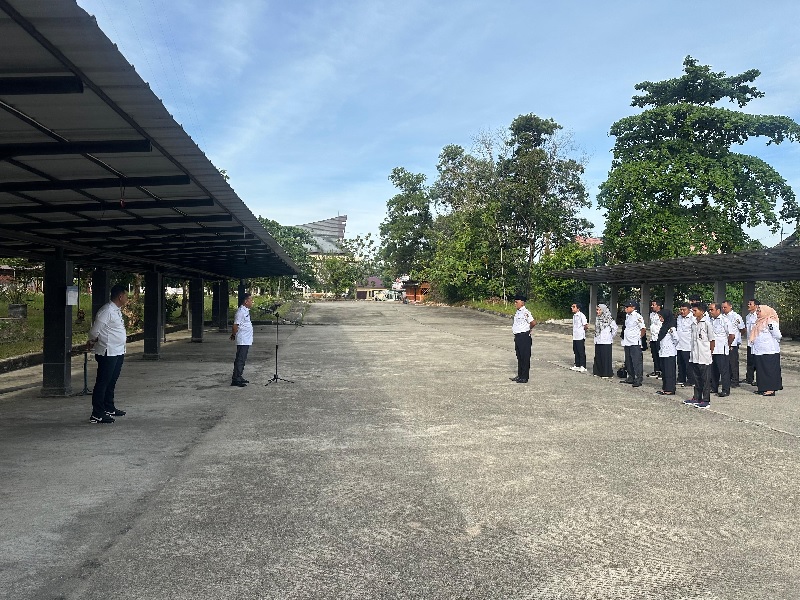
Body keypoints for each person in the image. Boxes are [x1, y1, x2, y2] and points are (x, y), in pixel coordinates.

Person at [87, 284, 129, 424]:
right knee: (102, 383)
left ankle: (109, 407)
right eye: (126, 296)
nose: (127, 298)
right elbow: (94, 331)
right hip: (108, 351)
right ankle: (97, 414)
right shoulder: (106, 311)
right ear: (120, 296)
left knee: (111, 381)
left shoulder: (116, 310)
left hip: (118, 351)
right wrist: (93, 341)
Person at [685, 302, 715, 408]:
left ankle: (706, 400)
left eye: (695, 310)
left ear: (702, 312)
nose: (693, 312)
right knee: (696, 378)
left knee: (705, 379)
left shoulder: (707, 323)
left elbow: (712, 341)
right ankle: (697, 397)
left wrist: (709, 353)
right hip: (695, 355)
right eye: (693, 310)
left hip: (704, 355)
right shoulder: (693, 323)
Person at [750, 304, 783, 397]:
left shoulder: (770, 322)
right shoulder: (759, 322)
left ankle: (770, 389)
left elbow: (777, 335)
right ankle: (762, 388)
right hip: (759, 351)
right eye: (757, 311)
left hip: (769, 351)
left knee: (769, 371)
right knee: (761, 370)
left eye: (759, 311)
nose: (757, 313)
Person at [708, 302, 734, 397]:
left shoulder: (725, 320)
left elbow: (731, 335)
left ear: (718, 310)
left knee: (723, 370)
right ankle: (714, 387)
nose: (710, 312)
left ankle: (725, 390)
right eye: (709, 310)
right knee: (713, 370)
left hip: (721, 348)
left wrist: (728, 344)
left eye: (712, 310)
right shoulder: (710, 320)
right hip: (712, 349)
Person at [510, 293, 536, 383]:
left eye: (516, 302)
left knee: (525, 357)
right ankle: (520, 375)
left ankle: (524, 377)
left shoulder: (526, 312)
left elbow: (533, 322)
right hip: (518, 337)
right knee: (519, 357)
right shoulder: (518, 312)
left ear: (522, 303)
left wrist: (528, 330)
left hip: (524, 337)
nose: (515, 304)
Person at [620, 300, 646, 387]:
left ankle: (638, 379)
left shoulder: (637, 316)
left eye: (627, 307)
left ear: (633, 307)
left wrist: (638, 337)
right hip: (627, 342)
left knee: (636, 362)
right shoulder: (627, 316)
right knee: (628, 361)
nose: (625, 308)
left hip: (634, 342)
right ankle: (630, 377)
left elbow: (643, 329)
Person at [230, 293, 254, 387]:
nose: (252, 302)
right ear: (246, 301)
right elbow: (235, 325)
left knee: (242, 359)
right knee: (240, 359)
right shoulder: (240, 312)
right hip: (243, 339)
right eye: (251, 300)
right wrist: (233, 334)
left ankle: (239, 376)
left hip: (247, 339)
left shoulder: (246, 311)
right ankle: (236, 379)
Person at [722, 299, 746, 387]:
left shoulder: (736, 316)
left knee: (733, 363)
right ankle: (728, 379)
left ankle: (735, 381)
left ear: (730, 306)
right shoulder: (722, 317)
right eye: (722, 307)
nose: (723, 309)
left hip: (733, 343)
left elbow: (742, 329)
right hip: (724, 343)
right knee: (726, 363)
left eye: (725, 307)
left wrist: (738, 338)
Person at [656, 309, 678, 395]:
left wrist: (672, 346)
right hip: (663, 352)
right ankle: (665, 387)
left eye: (661, 317)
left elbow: (676, 339)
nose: (660, 319)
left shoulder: (671, 327)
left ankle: (670, 389)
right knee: (664, 371)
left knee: (669, 372)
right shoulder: (664, 326)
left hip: (669, 352)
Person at [593, 303, 618, 378]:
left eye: (600, 310)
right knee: (598, 356)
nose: (598, 311)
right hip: (598, 340)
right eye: (597, 310)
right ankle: (598, 372)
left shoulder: (609, 319)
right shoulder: (597, 318)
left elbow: (615, 329)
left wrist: (610, 336)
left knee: (605, 357)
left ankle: (606, 373)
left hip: (606, 341)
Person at [675, 302, 695, 388]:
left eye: (684, 310)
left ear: (689, 310)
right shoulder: (679, 318)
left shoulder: (693, 318)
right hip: (679, 344)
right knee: (680, 362)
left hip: (688, 344)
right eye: (681, 310)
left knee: (689, 364)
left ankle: (691, 380)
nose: (682, 311)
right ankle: (681, 378)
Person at [744, 298, 759, 387]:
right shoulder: (748, 316)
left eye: (750, 304)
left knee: (758, 362)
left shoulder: (759, 316)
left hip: (757, 343)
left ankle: (758, 379)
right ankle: (749, 378)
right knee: (750, 361)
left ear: (756, 306)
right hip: (750, 342)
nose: (748, 305)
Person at [570, 302, 588, 373]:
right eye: (572, 306)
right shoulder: (574, 316)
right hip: (575, 336)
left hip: (580, 336)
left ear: (578, 308)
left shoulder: (581, 315)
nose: (572, 308)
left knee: (581, 351)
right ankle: (577, 364)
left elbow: (585, 325)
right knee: (576, 350)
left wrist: (582, 331)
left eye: (574, 307)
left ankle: (583, 366)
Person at [647, 299, 663, 378]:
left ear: (658, 306)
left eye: (654, 305)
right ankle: (656, 370)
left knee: (660, 355)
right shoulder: (652, 315)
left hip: (659, 338)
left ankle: (662, 371)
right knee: (654, 355)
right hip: (653, 338)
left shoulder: (662, 314)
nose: (652, 306)